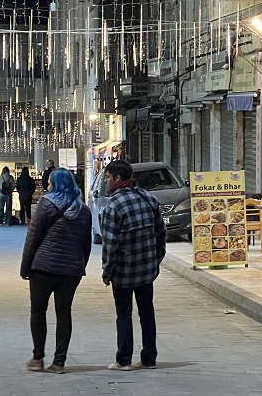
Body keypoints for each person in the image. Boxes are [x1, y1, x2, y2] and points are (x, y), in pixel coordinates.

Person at [20, 169, 92, 374]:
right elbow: (85, 244)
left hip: (44, 267)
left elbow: (33, 236)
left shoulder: (46, 204)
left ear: (56, 184)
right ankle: (59, 362)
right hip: (71, 271)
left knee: (38, 311)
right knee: (64, 313)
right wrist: (80, 265)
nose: (48, 186)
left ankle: (38, 358)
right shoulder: (84, 211)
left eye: (50, 182)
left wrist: (25, 266)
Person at [100, 158, 166, 371]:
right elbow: (161, 232)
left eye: (108, 177)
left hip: (123, 272)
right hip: (146, 270)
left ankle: (124, 360)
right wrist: (156, 260)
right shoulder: (148, 198)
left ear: (118, 178)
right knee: (147, 313)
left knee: (124, 314)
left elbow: (110, 244)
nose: (106, 181)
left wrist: (107, 271)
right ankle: (149, 358)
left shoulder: (113, 205)